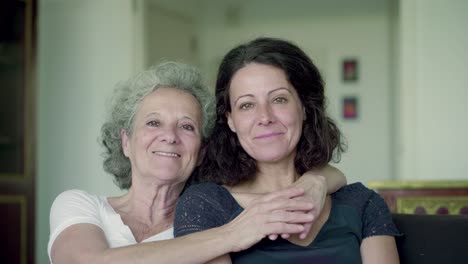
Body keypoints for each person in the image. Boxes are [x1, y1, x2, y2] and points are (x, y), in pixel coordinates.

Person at [47, 61, 347, 263]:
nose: (170, 137)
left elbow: (332, 179)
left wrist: (316, 179)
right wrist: (232, 235)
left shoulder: (208, 213)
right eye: (153, 123)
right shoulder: (80, 205)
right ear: (125, 141)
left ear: (202, 150)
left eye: (187, 126)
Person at [174, 38, 401, 263]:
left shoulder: (363, 203)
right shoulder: (206, 205)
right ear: (230, 120)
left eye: (279, 99)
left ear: (304, 107)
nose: (265, 117)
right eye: (247, 105)